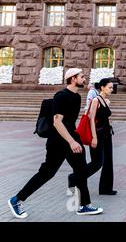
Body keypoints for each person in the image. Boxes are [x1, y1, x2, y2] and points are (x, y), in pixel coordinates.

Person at [8, 68, 103, 219]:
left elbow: (70, 121)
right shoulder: (61, 96)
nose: (85, 79)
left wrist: (75, 138)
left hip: (71, 137)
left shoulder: (77, 97)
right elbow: (57, 122)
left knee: (81, 170)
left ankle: (84, 205)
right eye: (82, 76)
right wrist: (71, 141)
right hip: (58, 141)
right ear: (73, 79)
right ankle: (16, 199)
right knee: (47, 173)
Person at [67, 78, 117, 196]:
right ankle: (74, 178)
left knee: (108, 161)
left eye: (112, 87)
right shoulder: (96, 100)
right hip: (98, 134)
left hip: (107, 134)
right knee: (97, 163)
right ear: (102, 87)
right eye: (109, 87)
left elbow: (104, 118)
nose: (112, 89)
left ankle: (105, 188)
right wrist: (94, 138)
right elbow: (91, 119)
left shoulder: (106, 101)